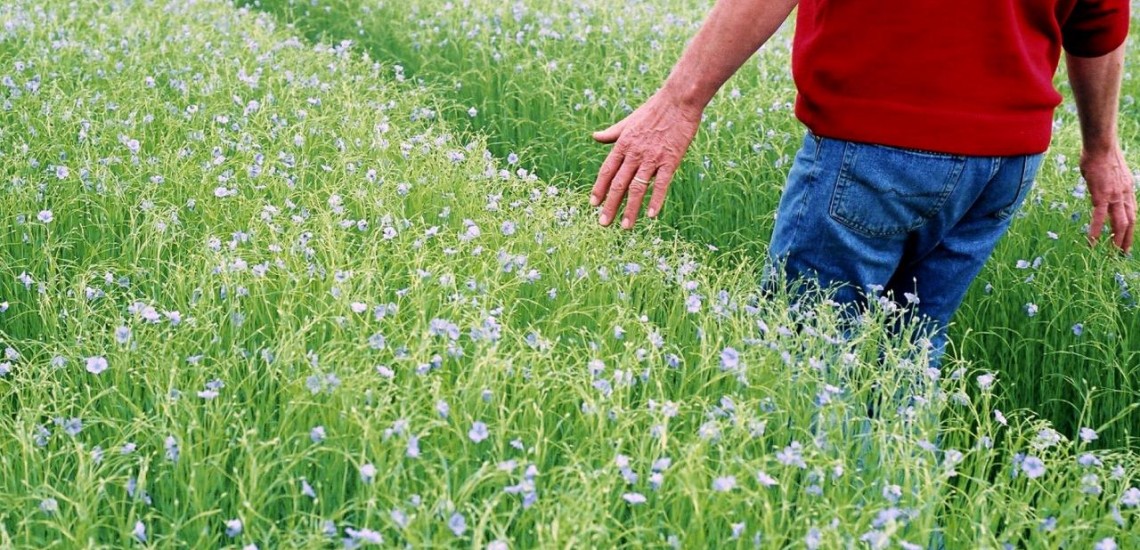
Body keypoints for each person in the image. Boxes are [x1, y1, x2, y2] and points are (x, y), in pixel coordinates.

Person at [588, 0, 1135, 367]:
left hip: (876, 148)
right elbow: (1098, 24)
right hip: (1003, 166)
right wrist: (1101, 149)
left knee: (799, 368)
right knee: (905, 363)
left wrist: (680, 102)